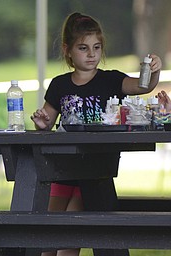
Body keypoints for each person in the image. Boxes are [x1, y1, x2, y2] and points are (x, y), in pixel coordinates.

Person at [31, 12, 162, 256]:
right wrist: (42, 122)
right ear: (67, 50)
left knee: (71, 235)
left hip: (94, 170)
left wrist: (153, 71)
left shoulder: (111, 79)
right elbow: (47, 121)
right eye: (83, 47)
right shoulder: (60, 84)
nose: (91, 54)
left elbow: (143, 86)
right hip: (62, 168)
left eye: (96, 47)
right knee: (48, 236)